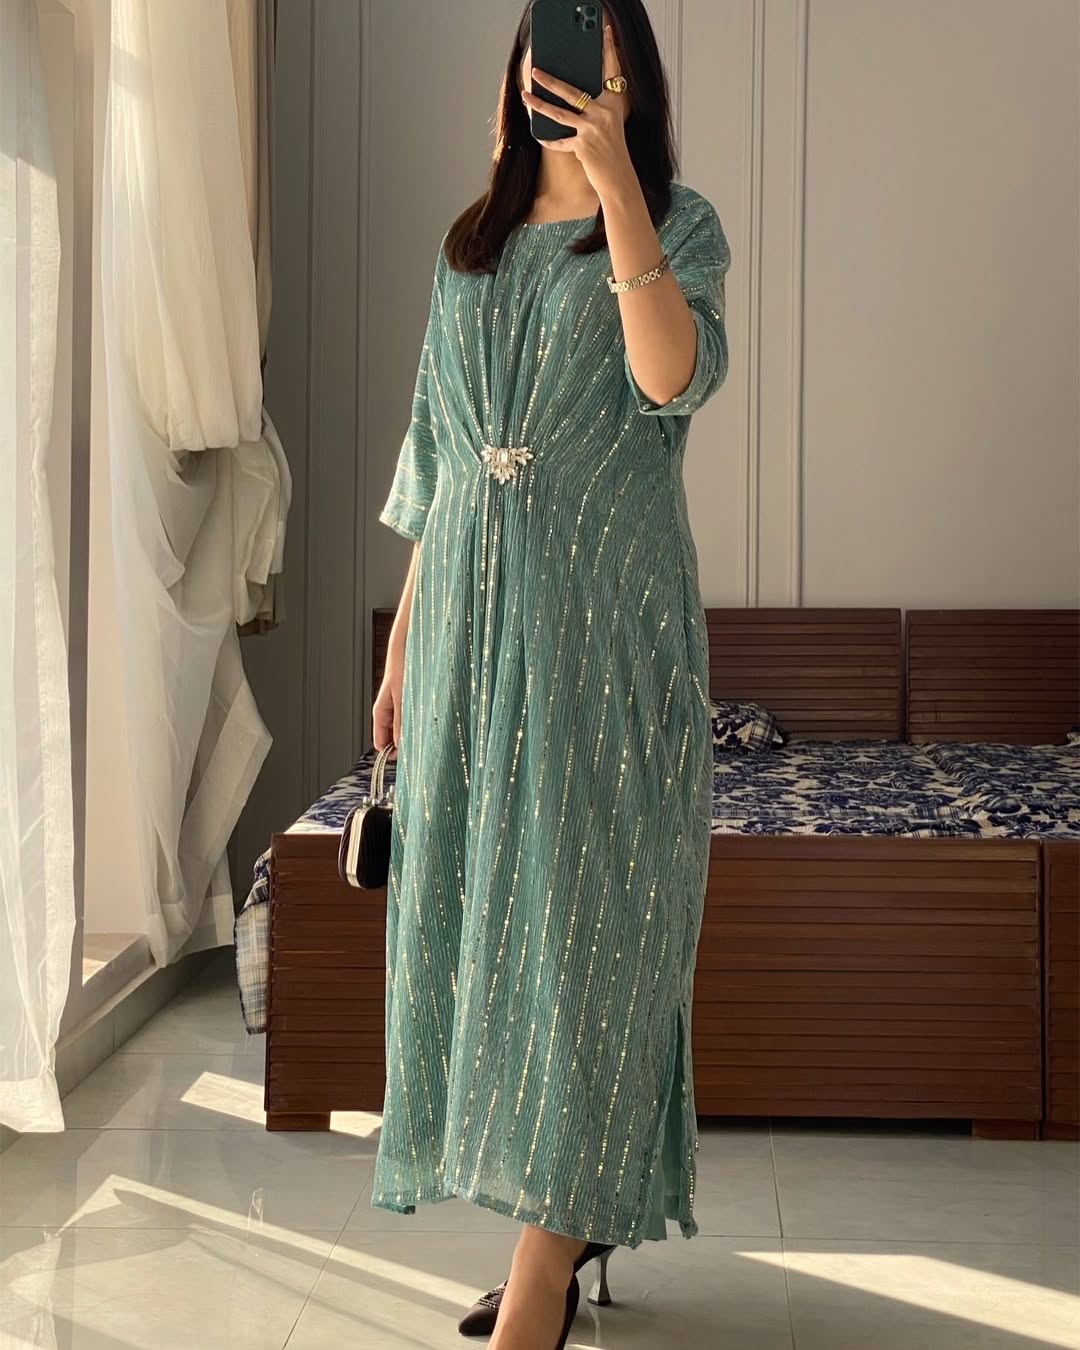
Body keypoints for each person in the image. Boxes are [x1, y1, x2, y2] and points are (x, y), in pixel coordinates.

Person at [371, 3, 731, 1346]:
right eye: (562, 61)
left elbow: (670, 376)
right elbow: (437, 456)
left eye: (607, 64)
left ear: (636, 85)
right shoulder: (468, 247)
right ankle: (555, 1237)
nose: (582, 85)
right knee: (492, 944)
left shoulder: (678, 225)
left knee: (597, 942)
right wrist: (404, 644)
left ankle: (537, 1290)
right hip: (468, 642)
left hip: (606, 642)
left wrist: (621, 190)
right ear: (520, 77)